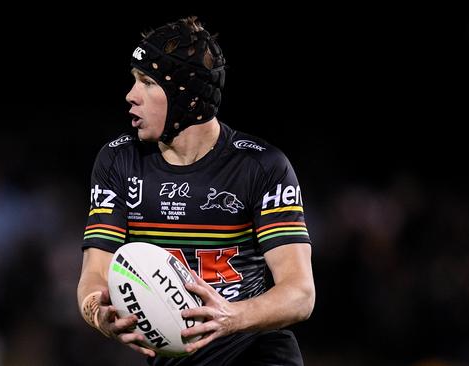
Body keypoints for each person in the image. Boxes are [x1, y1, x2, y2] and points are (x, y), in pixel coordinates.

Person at [77, 16, 315, 366]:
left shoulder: (261, 166)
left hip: (257, 356)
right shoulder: (118, 162)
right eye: (134, 81)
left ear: (184, 94)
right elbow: (93, 275)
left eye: (147, 82)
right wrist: (100, 314)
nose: (131, 96)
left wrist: (231, 317)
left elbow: (300, 294)